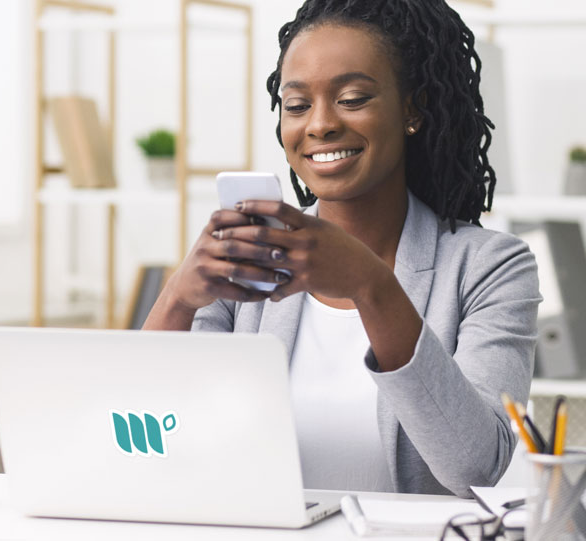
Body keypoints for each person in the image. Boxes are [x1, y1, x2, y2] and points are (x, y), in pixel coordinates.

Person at [143, 0, 541, 498]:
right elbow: (148, 436)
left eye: (352, 98)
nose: (320, 124)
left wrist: (371, 285)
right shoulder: (247, 254)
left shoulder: (490, 268)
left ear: (411, 108)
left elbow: (476, 468)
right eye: (297, 104)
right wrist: (178, 297)